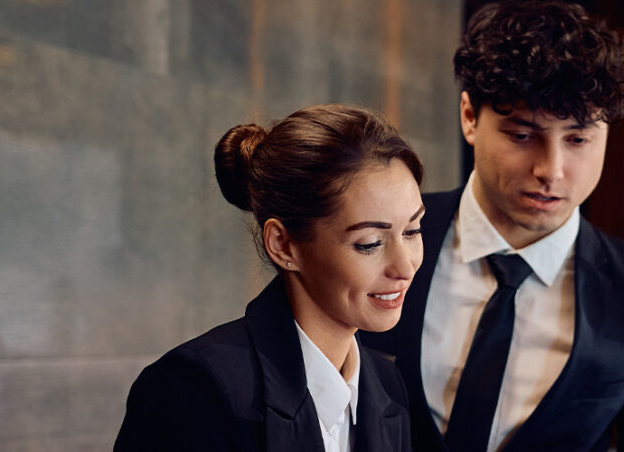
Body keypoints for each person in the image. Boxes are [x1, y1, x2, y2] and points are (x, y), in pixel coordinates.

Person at [359, 2, 624, 451]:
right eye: (522, 135)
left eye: (577, 139)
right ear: (470, 117)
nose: (550, 169)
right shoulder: (377, 239)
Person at [116, 104, 424, 452]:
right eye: (369, 244)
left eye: (412, 231)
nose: (405, 266)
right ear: (283, 245)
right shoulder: (195, 388)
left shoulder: (386, 385)